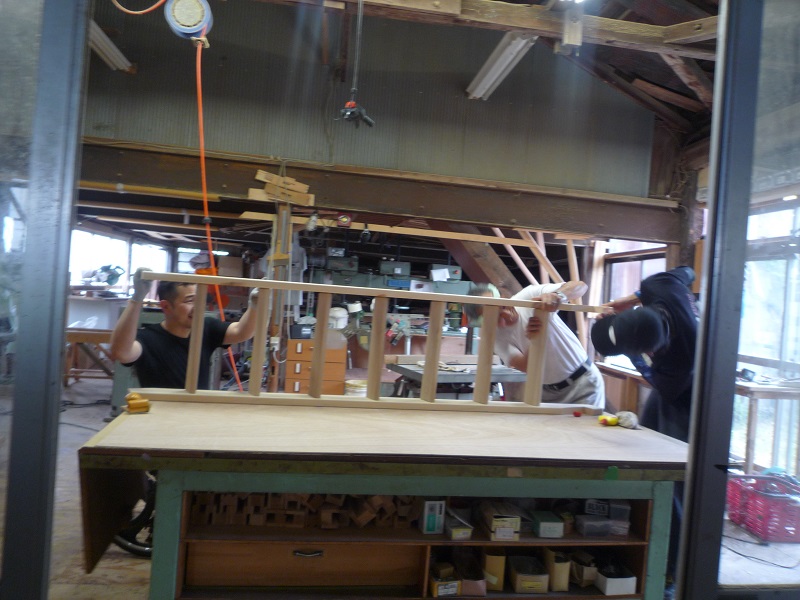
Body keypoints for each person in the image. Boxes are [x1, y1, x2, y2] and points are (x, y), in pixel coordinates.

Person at [590, 265, 699, 599]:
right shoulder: (659, 285)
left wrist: (634, 355)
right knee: (641, 448)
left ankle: (671, 569)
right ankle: (637, 532)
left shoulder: (680, 362)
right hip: (669, 382)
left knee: (674, 476)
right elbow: (687, 272)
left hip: (691, 398)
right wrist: (630, 300)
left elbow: (656, 381)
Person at [110, 267, 259, 389]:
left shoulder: (206, 328)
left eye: (199, 300)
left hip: (196, 411)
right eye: (190, 301)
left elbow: (242, 332)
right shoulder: (148, 338)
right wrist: (137, 297)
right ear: (166, 306)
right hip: (159, 412)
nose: (198, 307)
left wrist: (255, 306)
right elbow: (121, 353)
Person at [464, 282, 605, 408]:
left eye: (502, 306)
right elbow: (525, 366)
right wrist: (534, 340)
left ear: (503, 297)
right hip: (546, 392)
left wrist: (558, 296)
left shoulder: (528, 297)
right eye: (496, 317)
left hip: (583, 382)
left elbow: (580, 286)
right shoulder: (496, 337)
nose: (506, 315)